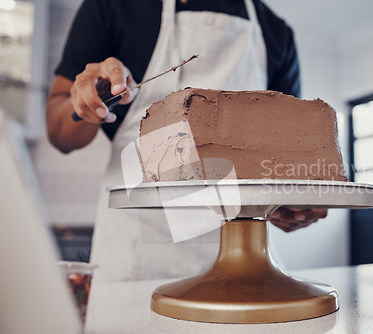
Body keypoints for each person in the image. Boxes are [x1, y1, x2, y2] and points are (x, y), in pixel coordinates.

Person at [47, 0, 328, 281]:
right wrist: (87, 103)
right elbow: (59, 133)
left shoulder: (276, 32)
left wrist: (291, 201)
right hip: (138, 257)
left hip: (246, 257)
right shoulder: (112, 6)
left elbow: (285, 153)